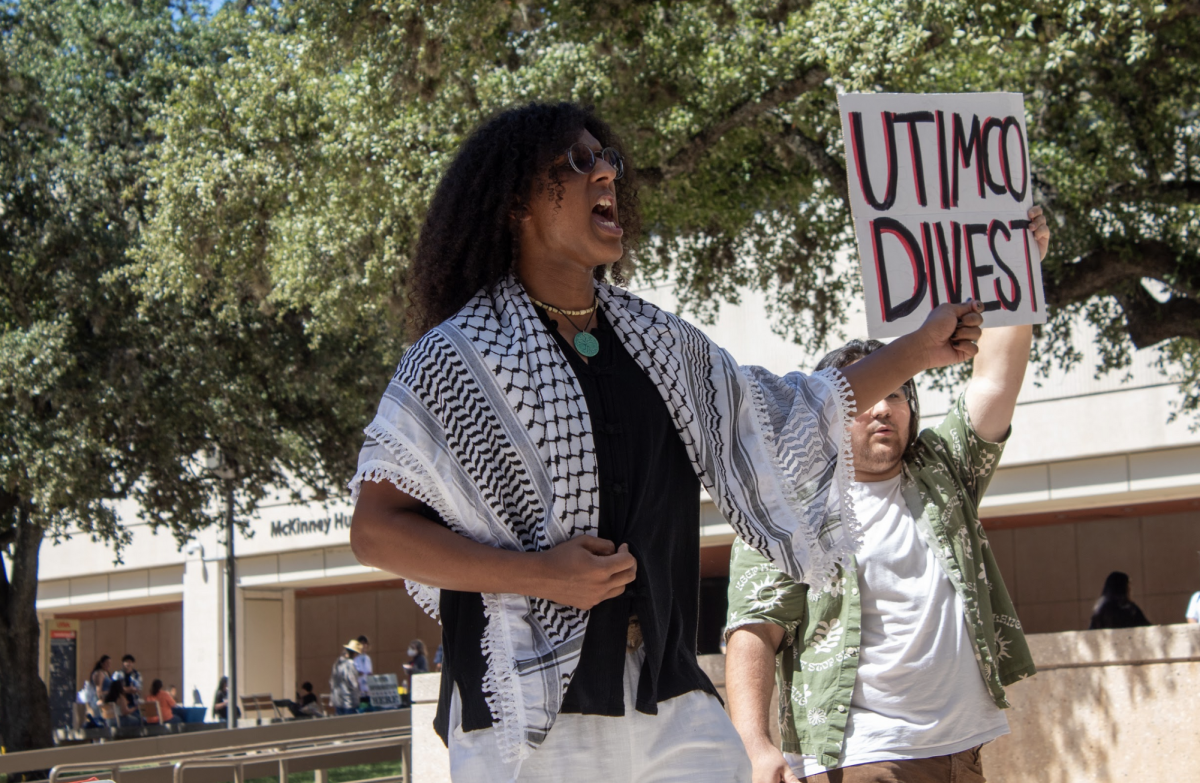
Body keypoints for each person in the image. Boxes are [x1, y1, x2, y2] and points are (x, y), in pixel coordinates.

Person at [348, 101, 985, 783]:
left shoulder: (659, 344)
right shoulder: (457, 359)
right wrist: (540, 575)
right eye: (579, 161)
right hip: (528, 717)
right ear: (514, 201)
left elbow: (793, 413)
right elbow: (376, 530)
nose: (607, 176)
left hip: (671, 700)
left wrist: (917, 348)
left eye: (609, 159)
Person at [725, 206, 1049, 783]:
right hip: (861, 756)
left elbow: (995, 379)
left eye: (898, 394)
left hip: (964, 748)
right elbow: (755, 628)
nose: (881, 407)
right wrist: (755, 744)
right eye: (864, 397)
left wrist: (1018, 271)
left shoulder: (943, 471)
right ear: (829, 416)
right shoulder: (787, 506)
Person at [331, 639, 362, 716]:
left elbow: (332, 680)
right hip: (348, 702)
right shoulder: (350, 664)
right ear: (355, 653)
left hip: (337, 699)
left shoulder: (338, 663)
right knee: (351, 725)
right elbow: (352, 683)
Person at [354, 634, 375, 707]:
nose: (363, 646)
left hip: (368, 689)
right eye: (361, 644)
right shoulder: (355, 660)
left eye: (365, 643)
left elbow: (369, 672)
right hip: (359, 690)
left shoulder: (368, 659)